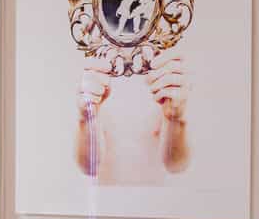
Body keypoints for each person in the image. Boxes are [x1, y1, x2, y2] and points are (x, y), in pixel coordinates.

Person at [74, 49, 191, 185]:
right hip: (109, 199)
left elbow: (177, 164)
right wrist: (88, 117)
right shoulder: (93, 70)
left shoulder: (168, 70)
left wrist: (175, 118)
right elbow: (88, 166)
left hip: (153, 198)